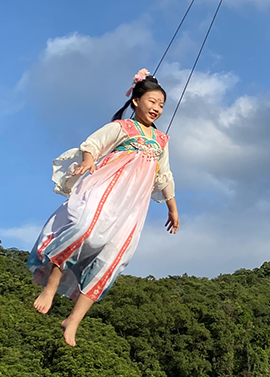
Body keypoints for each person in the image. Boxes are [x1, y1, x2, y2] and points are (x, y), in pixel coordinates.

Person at [29, 70, 179, 346]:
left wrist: (172, 208)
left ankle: (72, 320)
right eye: (153, 101)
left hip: (132, 206)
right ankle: (50, 286)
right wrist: (88, 160)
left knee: (116, 255)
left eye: (161, 105)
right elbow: (93, 144)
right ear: (136, 100)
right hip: (106, 192)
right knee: (83, 229)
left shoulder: (161, 141)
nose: (157, 108)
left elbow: (164, 175)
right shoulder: (122, 128)